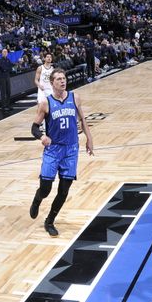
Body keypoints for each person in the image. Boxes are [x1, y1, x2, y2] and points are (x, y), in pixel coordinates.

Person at [29, 68, 94, 236]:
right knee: (46, 189)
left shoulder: (75, 97)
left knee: (64, 190)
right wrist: (42, 136)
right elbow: (34, 128)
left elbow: (83, 119)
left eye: (63, 78)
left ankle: (50, 220)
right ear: (52, 83)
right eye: (58, 79)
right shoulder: (46, 103)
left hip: (71, 149)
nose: (62, 81)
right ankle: (37, 199)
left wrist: (89, 138)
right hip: (53, 150)